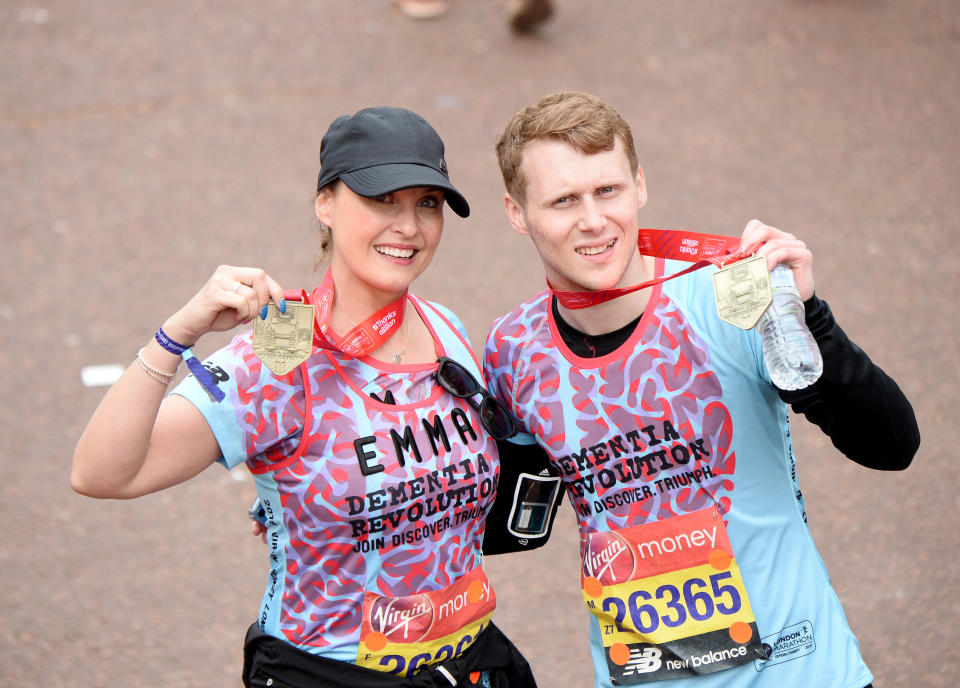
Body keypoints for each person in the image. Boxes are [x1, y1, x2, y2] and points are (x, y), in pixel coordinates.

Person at [71, 106, 538, 688]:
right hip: (326, 673)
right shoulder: (281, 344)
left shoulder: (443, 327)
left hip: (467, 663)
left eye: (427, 203)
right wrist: (177, 334)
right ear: (325, 203)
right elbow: (102, 474)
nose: (409, 226)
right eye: (381, 199)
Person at [483, 91, 920, 688]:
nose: (592, 219)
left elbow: (891, 446)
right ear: (516, 213)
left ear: (639, 184)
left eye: (607, 190)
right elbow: (512, 528)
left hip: (803, 673)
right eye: (563, 201)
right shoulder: (515, 348)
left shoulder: (727, 297)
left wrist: (812, 317)